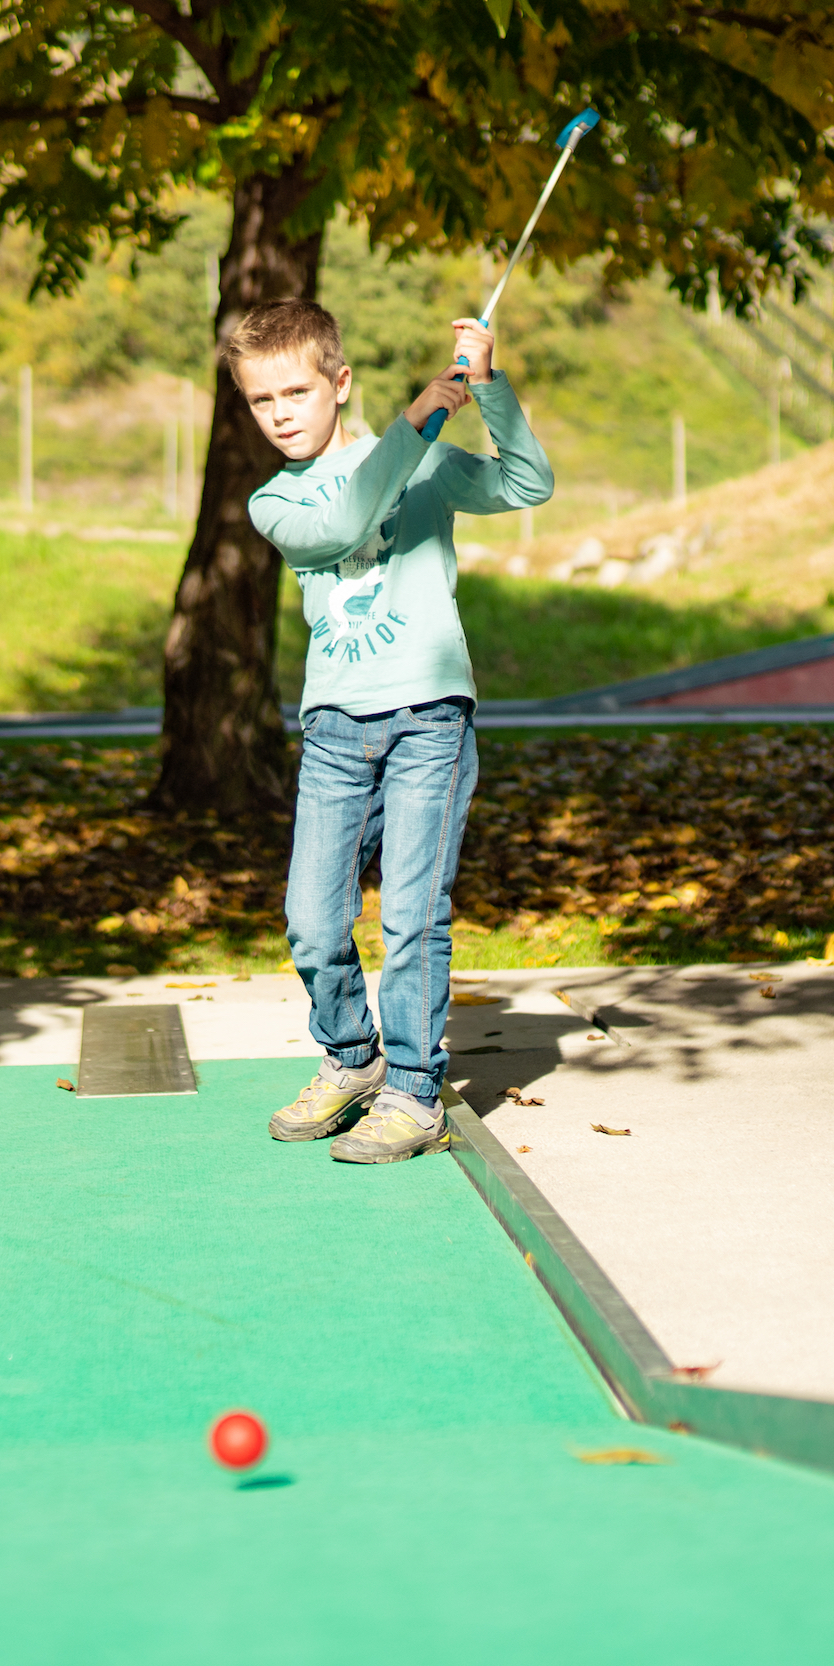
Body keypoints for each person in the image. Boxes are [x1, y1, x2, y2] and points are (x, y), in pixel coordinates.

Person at [232, 297, 553, 1162]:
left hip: (428, 720)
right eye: (262, 402)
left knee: (413, 915)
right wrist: (410, 429)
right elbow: (339, 525)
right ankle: (353, 1060)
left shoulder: (421, 465)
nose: (281, 414)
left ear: (340, 383)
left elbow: (529, 483)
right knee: (310, 918)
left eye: (295, 392)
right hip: (335, 728)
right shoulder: (274, 500)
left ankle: (415, 1092)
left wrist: (486, 390)